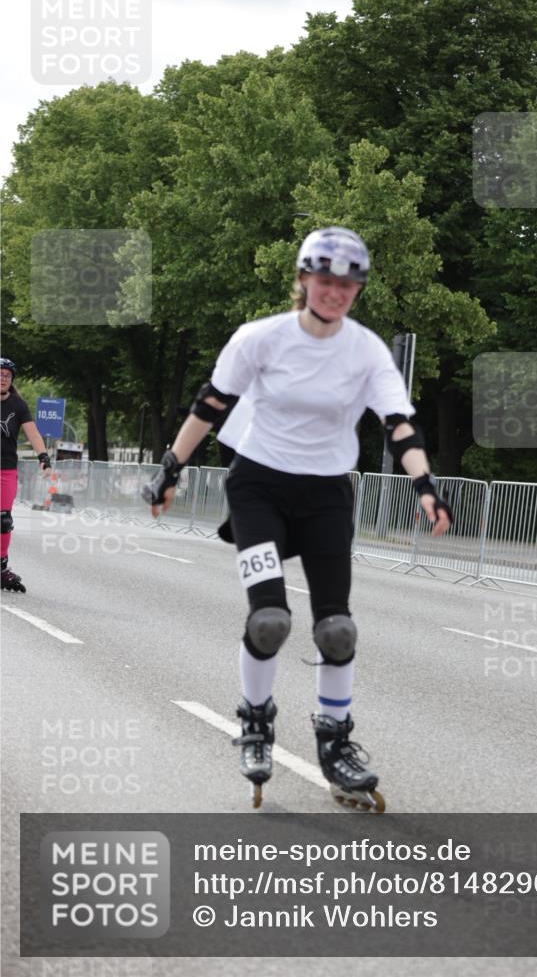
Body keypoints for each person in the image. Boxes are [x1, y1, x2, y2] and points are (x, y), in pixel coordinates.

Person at [143, 226, 452, 810]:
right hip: (258, 486)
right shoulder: (261, 338)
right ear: (304, 279)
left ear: (357, 288)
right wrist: (170, 469)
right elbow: (210, 404)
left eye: (347, 284)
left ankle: (335, 741)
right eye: (325, 280)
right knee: (270, 621)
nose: (336, 292)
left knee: (337, 629)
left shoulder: (365, 350)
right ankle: (256, 722)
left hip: (326, 496)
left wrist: (425, 486)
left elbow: (399, 424)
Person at [0, 357, 52, 592]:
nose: (3, 378)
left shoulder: (18, 406)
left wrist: (44, 458)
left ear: (11, 380)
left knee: (3, 520)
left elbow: (34, 435)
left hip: (7, 469)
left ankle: (1, 568)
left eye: (7, 376)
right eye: (0, 374)